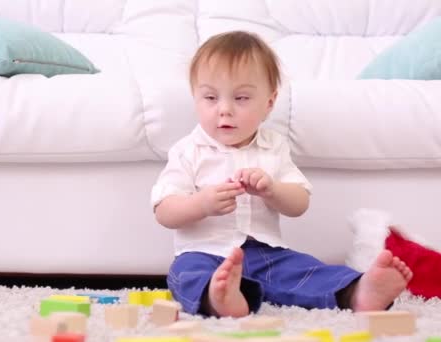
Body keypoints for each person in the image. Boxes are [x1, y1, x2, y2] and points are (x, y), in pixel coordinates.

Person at [150, 31, 413, 317]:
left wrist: (272, 190)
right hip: (203, 253)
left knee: (302, 269)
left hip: (265, 254)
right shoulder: (188, 151)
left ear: (269, 103)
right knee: (184, 274)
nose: (224, 110)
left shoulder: (273, 148)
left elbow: (299, 202)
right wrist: (201, 204)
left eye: (241, 98)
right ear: (195, 98)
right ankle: (219, 297)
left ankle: (357, 291)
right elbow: (164, 211)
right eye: (210, 97)